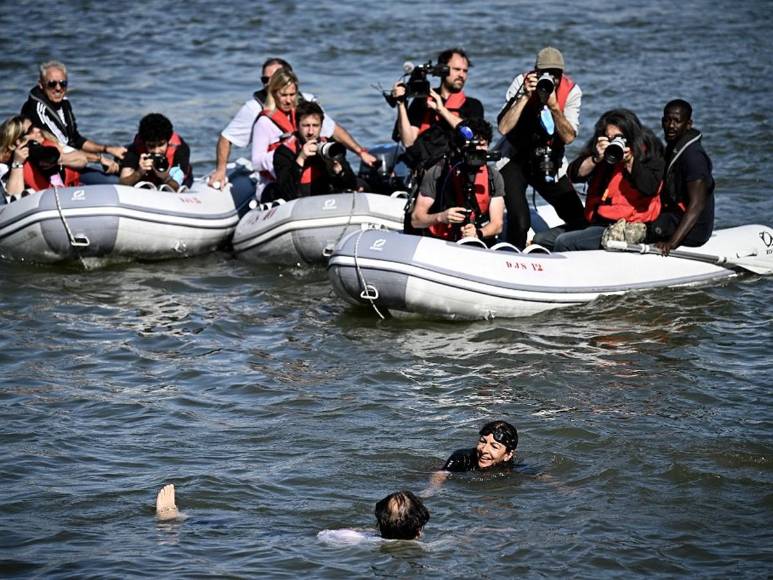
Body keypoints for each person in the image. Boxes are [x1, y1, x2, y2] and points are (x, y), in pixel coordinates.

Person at [209, 58, 376, 199]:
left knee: (359, 185)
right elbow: (246, 152)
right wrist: (221, 170)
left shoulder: (306, 109)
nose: (288, 100)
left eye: (291, 94)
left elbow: (333, 130)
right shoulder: (258, 115)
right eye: (266, 80)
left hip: (311, 178)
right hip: (278, 180)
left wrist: (359, 152)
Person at [533, 108, 664, 251]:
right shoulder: (603, 155)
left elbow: (649, 187)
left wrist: (629, 162)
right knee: (541, 239)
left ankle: (571, 270)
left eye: (619, 138)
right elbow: (574, 174)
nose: (614, 142)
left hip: (623, 225)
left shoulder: (649, 155)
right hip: (595, 220)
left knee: (564, 242)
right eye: (609, 138)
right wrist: (596, 158)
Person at [496, 47, 586, 249]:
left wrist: (554, 106)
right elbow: (503, 128)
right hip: (515, 158)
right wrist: (525, 97)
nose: (549, 79)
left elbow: (569, 137)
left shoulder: (572, 91)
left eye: (555, 74)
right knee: (520, 222)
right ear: (535, 71)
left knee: (578, 217)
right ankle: (511, 257)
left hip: (547, 159)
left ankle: (561, 247)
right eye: (544, 73)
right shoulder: (522, 83)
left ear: (561, 75)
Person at [21, 60, 126, 185]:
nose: (58, 88)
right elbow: (58, 146)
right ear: (41, 85)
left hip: (73, 162)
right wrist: (99, 159)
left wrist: (108, 149)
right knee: (113, 182)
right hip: (53, 167)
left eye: (63, 83)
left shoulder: (64, 104)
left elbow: (76, 139)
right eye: (52, 84)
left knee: (120, 172)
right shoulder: (38, 110)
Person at [410, 118, 504, 244]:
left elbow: (497, 224)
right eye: (472, 146)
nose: (477, 150)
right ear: (460, 148)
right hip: (440, 240)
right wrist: (441, 217)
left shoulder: (493, 176)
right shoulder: (438, 172)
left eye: (482, 145)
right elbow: (416, 220)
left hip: (475, 237)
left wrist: (478, 233)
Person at [390, 48, 484, 173]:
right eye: (456, 69)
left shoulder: (473, 105)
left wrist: (441, 110)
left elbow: (472, 135)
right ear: (442, 70)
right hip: (426, 167)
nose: (461, 75)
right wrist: (400, 103)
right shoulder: (422, 101)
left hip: (457, 169)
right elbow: (408, 142)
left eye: (465, 71)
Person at [645, 99, 715, 255]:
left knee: (641, 230)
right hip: (673, 216)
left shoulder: (694, 157)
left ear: (688, 124)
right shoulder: (673, 147)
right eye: (667, 120)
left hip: (695, 230)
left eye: (677, 121)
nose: (671, 126)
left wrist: (671, 244)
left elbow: (696, 205)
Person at [268, 101, 358, 201]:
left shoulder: (329, 147)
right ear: (297, 126)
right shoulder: (284, 152)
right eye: (306, 126)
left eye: (315, 126)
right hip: (299, 204)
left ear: (321, 126)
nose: (311, 132)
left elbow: (352, 185)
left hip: (327, 201)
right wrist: (300, 159)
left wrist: (339, 172)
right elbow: (287, 193)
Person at [0, 115, 86, 199]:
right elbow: (14, 199)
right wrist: (17, 163)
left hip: (70, 194)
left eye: (34, 125)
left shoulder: (48, 142)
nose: (37, 130)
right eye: (30, 130)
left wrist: (55, 159)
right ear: (17, 141)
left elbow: (82, 159)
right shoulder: (6, 166)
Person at [119, 113, 193, 192]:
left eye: (161, 145)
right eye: (151, 146)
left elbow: (177, 186)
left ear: (168, 141)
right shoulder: (135, 149)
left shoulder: (180, 150)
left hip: (172, 179)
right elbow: (123, 182)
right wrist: (139, 172)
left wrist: (165, 177)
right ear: (144, 143)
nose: (157, 151)